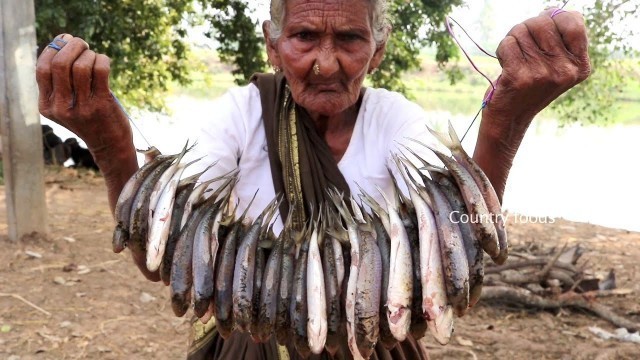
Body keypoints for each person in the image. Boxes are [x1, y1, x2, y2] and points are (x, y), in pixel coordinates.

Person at [35, 0, 591, 359]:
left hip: (374, 343)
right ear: (272, 44)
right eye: (304, 37)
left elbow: (458, 244)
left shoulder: (397, 120)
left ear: (378, 51)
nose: (327, 63)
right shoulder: (238, 115)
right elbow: (166, 258)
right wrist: (109, 143)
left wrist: (506, 122)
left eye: (349, 39)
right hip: (250, 344)